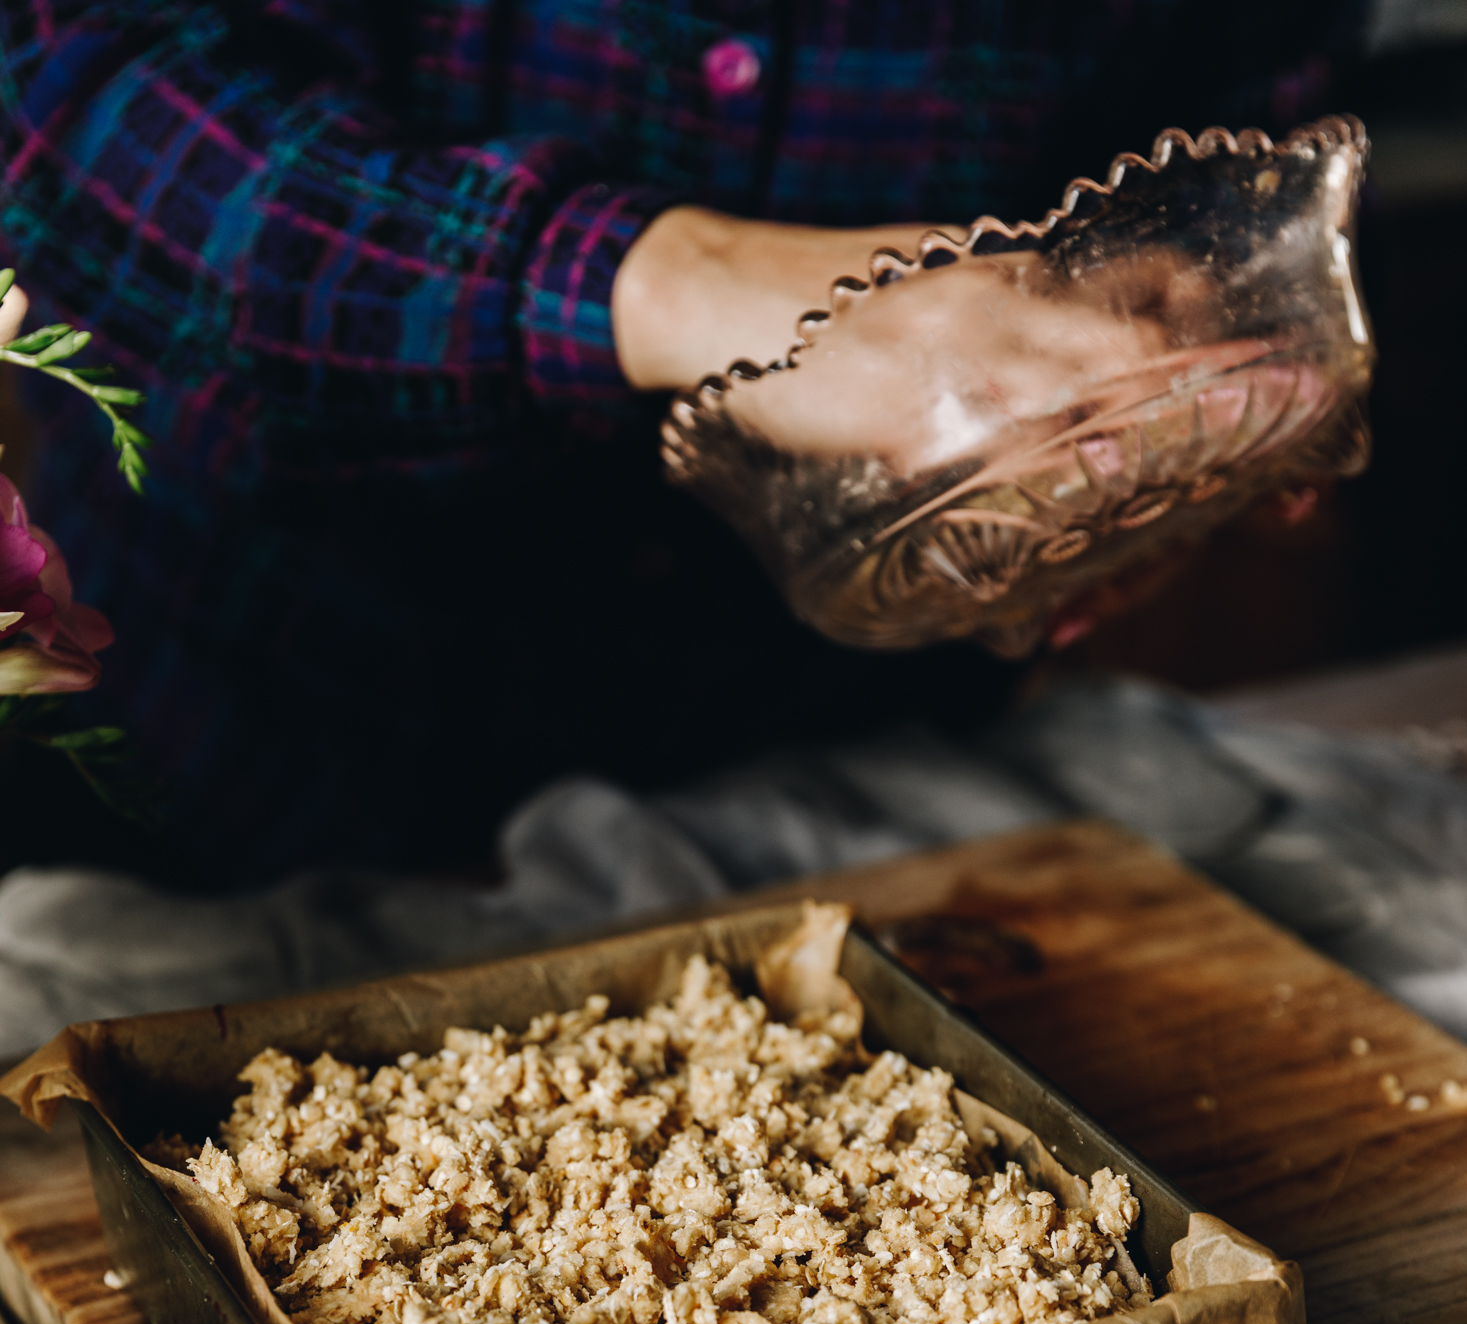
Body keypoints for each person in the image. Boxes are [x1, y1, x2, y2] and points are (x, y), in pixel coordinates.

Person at [0, 3, 1362, 884]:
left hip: (836, 769)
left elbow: (1238, 94)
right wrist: (692, 284)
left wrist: (1159, 371)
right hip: (241, 742)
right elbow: (72, 106)